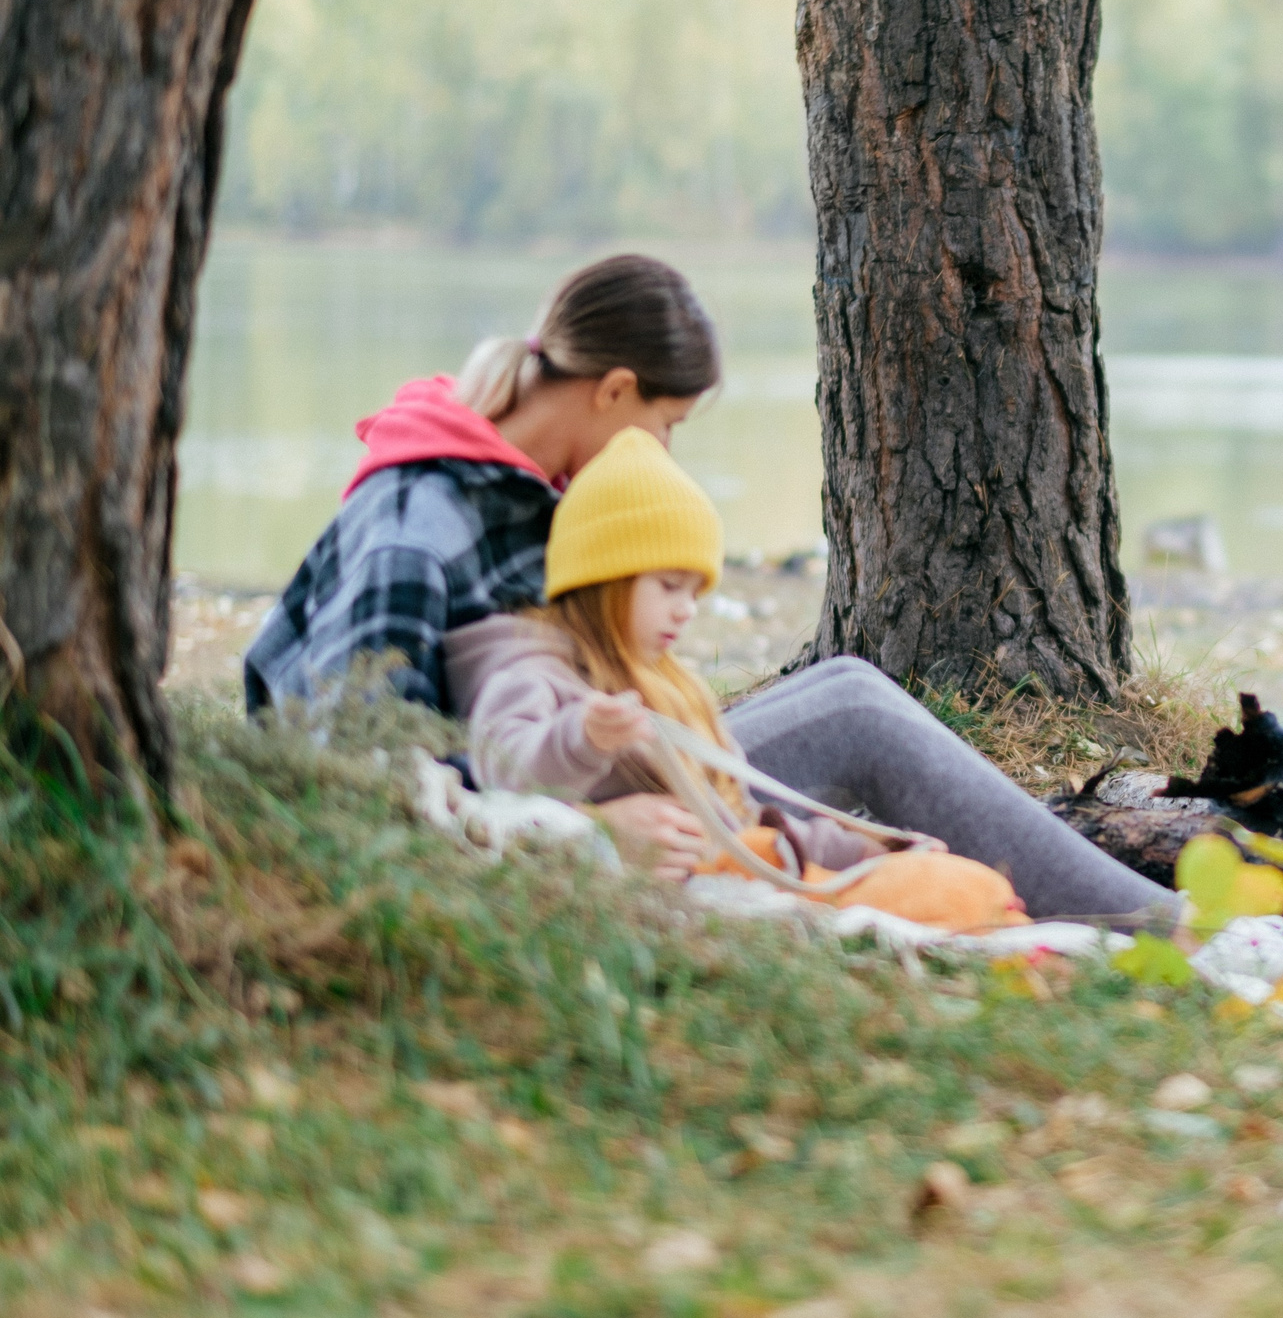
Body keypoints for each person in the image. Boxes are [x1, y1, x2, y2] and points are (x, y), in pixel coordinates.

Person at [245, 254, 1176, 924]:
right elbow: (353, 767)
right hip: (540, 806)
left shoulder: (532, 491)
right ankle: (1176, 935)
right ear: (612, 390)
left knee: (844, 689)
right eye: (667, 422)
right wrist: (587, 833)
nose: (664, 453)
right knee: (853, 710)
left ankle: (1109, 909)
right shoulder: (419, 523)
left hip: (586, 769)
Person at [447, 426, 1029, 929]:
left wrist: (874, 846)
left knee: (953, 884)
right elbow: (506, 771)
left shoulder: (673, 687)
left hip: (734, 872)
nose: (685, 610)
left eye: (696, 593)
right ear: (603, 580)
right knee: (962, 900)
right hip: (685, 896)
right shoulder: (533, 670)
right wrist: (581, 738)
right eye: (668, 586)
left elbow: (742, 820)